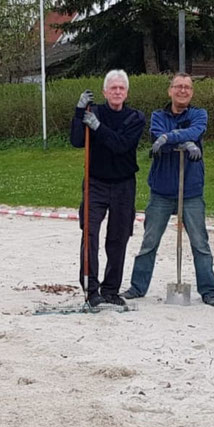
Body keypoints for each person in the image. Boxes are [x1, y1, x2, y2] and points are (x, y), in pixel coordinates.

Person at [124, 73, 214, 305]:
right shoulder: (158, 115)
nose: (183, 91)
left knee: (200, 243)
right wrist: (180, 142)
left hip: (191, 190)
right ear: (170, 90)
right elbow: (156, 136)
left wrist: (171, 139)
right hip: (161, 190)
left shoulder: (200, 114)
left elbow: (195, 131)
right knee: (149, 242)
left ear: (191, 92)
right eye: (178, 87)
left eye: (187, 87)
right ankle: (137, 287)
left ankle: (209, 291)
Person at [70, 71, 145, 307]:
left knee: (119, 236)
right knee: (89, 233)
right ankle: (91, 288)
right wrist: (79, 112)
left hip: (123, 184)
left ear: (127, 93)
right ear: (104, 92)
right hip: (95, 182)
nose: (117, 92)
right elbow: (76, 140)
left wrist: (98, 128)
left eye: (121, 88)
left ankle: (111, 289)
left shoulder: (135, 117)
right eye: (113, 88)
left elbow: (121, 146)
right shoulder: (95, 112)